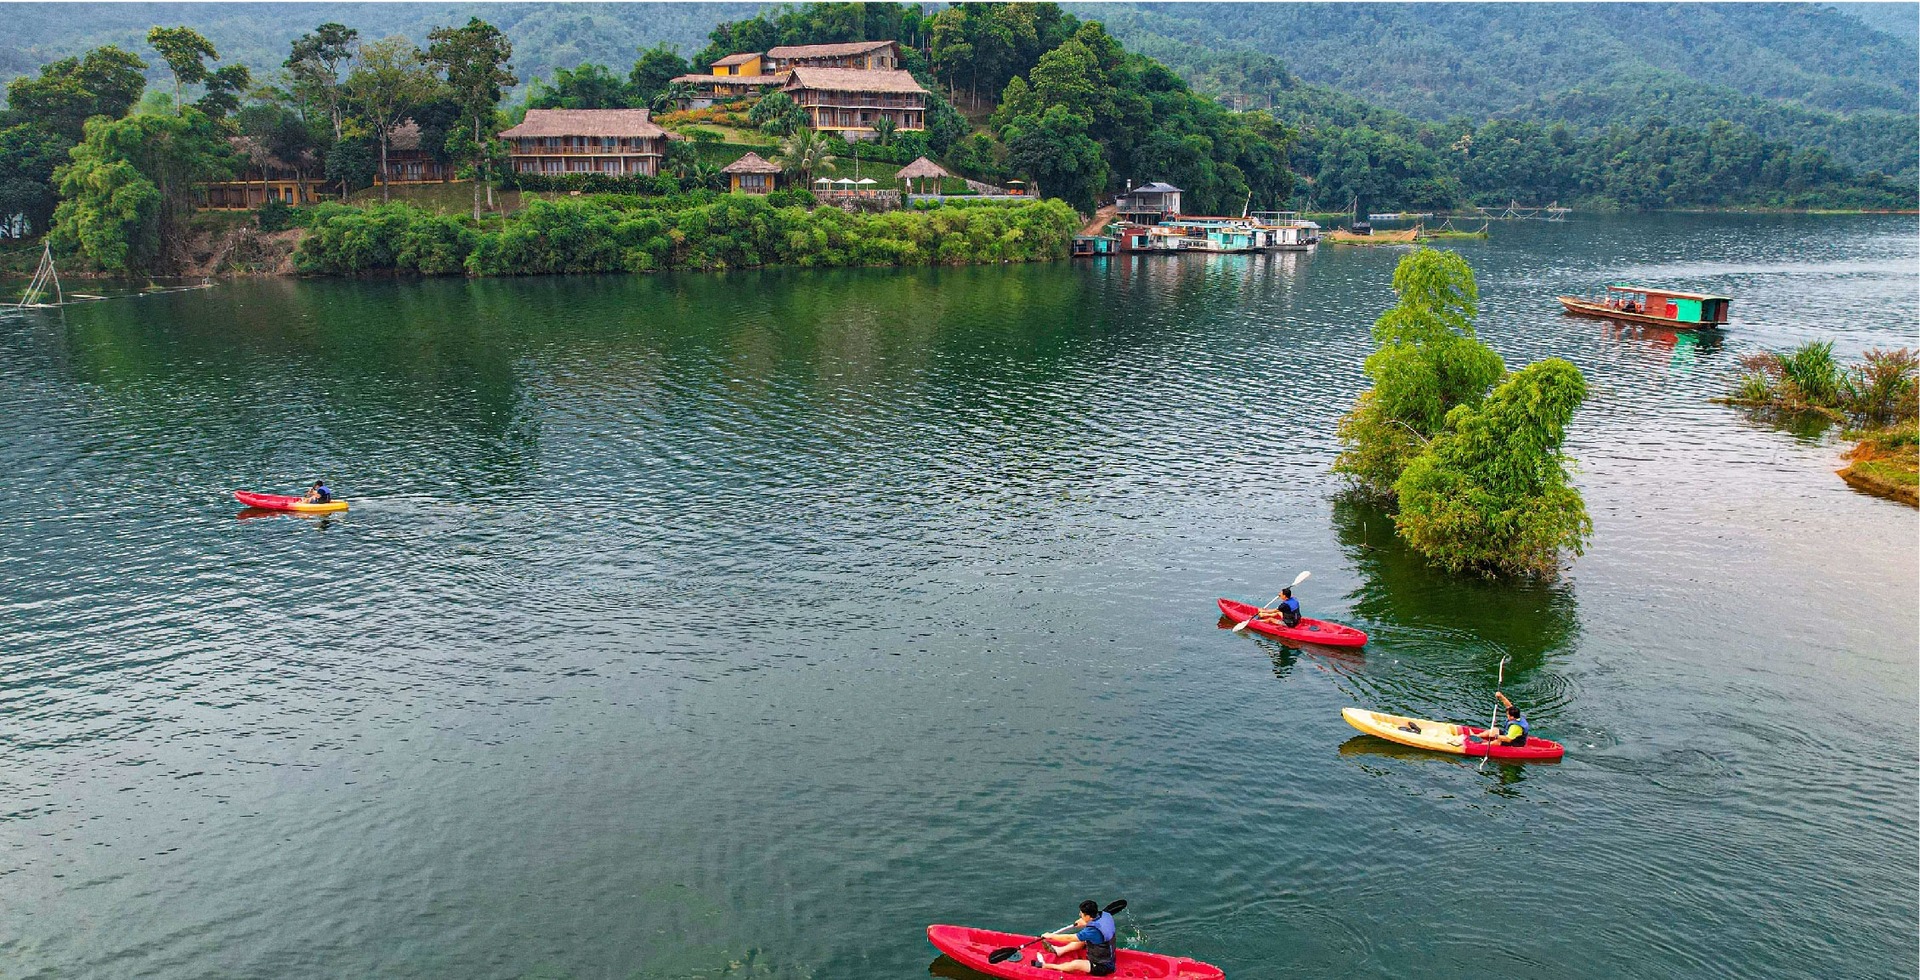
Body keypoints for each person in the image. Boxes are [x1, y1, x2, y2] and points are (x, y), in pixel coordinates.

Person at [1035, 900, 1117, 975]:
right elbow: (1098, 924)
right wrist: (1085, 922)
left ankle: (1048, 966)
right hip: (1106, 952)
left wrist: (1051, 936)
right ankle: (1059, 950)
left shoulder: (1092, 931)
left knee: (1076, 964)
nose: (1079, 915)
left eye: (1081, 914)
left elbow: (1069, 938)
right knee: (1082, 940)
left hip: (1103, 966)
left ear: (1088, 916)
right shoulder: (1105, 916)